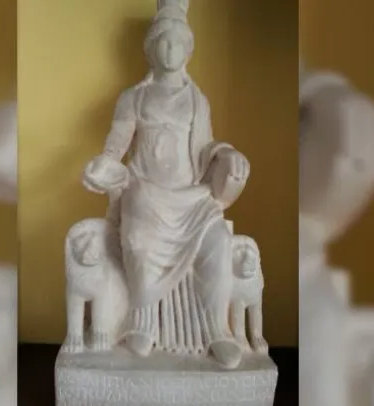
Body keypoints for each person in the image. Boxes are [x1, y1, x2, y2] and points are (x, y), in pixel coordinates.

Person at [83, 0, 249, 369]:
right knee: (138, 238)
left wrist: (227, 153)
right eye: (163, 41)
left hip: (191, 198)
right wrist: (102, 166)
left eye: (178, 41)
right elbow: (116, 146)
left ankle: (216, 330)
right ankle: (142, 321)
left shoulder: (197, 100)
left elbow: (206, 146)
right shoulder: (134, 97)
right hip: (145, 191)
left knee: (219, 243)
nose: (170, 48)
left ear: (189, 49)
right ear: (150, 48)